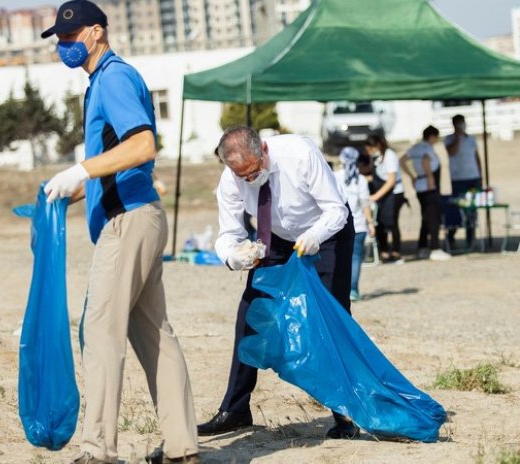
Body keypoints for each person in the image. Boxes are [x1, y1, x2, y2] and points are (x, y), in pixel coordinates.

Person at [39, 2, 198, 463]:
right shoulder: (102, 82)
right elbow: (117, 162)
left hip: (127, 223)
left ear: (96, 32)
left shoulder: (112, 77)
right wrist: (63, 193)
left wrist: (82, 170)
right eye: (60, 41)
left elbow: (143, 144)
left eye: (70, 38)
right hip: (138, 215)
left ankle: (97, 451)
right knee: (154, 335)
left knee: (100, 330)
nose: (64, 47)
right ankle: (182, 448)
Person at [200, 126, 360, 439]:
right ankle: (235, 409)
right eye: (241, 175)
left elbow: (335, 209)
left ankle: (346, 413)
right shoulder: (231, 178)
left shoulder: (300, 154)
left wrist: (314, 236)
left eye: (253, 171)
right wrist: (234, 257)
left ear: (263, 148)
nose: (248, 180)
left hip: (326, 232)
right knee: (251, 313)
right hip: (274, 237)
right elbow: (228, 233)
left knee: (330, 319)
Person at [334, 147, 375, 301]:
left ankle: (339, 289)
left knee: (339, 258)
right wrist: (370, 223)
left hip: (338, 224)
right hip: (358, 224)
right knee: (356, 257)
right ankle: (353, 290)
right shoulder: (361, 179)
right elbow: (365, 204)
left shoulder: (334, 176)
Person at [405, 126, 451, 261]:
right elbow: (425, 161)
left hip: (419, 184)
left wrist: (412, 175)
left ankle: (422, 246)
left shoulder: (415, 148)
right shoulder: (426, 149)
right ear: (432, 136)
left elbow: (402, 160)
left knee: (425, 217)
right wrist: (430, 177)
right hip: (429, 186)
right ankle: (435, 247)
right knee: (433, 218)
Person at [443, 115, 482, 251]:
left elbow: (477, 157)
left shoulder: (471, 139)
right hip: (458, 179)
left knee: (472, 210)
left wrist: (480, 175)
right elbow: (451, 152)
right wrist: (458, 137)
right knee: (458, 209)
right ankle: (451, 235)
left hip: (473, 178)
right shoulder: (449, 139)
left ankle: (471, 240)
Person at [365, 134, 405, 264]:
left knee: (392, 222)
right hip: (382, 193)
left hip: (394, 193)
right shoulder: (376, 157)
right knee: (380, 222)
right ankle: (384, 251)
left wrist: (376, 196)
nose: (369, 152)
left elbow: (391, 180)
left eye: (371, 149)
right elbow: (376, 176)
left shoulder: (390, 155)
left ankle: (396, 251)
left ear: (377, 146)